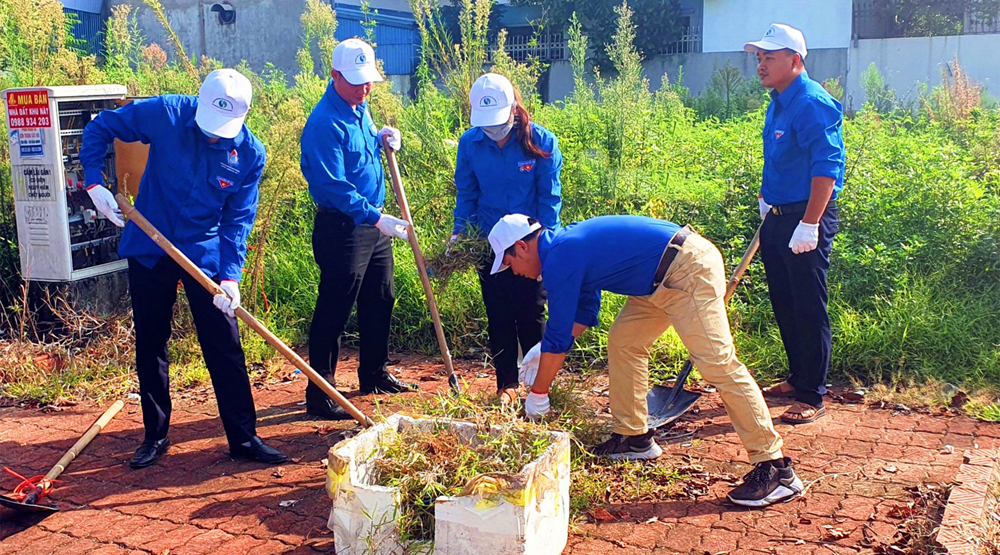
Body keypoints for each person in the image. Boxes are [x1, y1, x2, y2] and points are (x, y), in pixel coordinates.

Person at [492, 214, 802, 507]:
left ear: (521, 246)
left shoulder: (560, 254)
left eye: (510, 262)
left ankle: (775, 468)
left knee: (718, 365)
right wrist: (543, 349)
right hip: (657, 280)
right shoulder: (563, 248)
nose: (515, 272)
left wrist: (539, 394)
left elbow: (559, 333)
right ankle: (635, 437)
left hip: (686, 269)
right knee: (625, 341)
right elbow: (586, 311)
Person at [80, 69, 286, 468]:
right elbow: (101, 126)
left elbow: (237, 221)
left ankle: (243, 438)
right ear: (200, 104)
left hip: (203, 254)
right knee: (151, 342)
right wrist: (94, 183)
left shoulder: (249, 155)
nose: (213, 136)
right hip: (150, 243)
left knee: (223, 343)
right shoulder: (168, 113)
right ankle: (155, 436)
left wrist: (230, 276)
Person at [300, 38, 417, 420]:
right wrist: (375, 218)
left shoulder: (359, 109)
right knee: (335, 306)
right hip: (345, 227)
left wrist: (380, 138)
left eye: (368, 81)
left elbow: (363, 153)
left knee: (380, 297)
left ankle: (374, 373)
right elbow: (334, 185)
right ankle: (320, 393)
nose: (364, 88)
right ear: (334, 76)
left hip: (373, 223)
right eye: (356, 82)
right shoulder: (324, 123)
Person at [744, 24, 845, 424]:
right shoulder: (778, 101)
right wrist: (767, 199)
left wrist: (810, 223)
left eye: (770, 57)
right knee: (784, 301)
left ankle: (813, 393)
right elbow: (782, 160)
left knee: (807, 303)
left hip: (806, 217)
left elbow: (826, 168)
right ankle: (797, 376)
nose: (761, 64)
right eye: (759, 57)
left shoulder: (812, 102)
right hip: (777, 216)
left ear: (795, 60)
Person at [451, 73, 562, 403]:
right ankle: (507, 386)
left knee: (531, 313)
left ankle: (538, 387)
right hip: (489, 242)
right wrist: (461, 232)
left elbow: (549, 198)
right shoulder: (470, 144)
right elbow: (467, 193)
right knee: (498, 314)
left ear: (514, 110)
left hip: (529, 245)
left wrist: (547, 247)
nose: (494, 131)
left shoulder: (540, 142)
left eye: (498, 122)